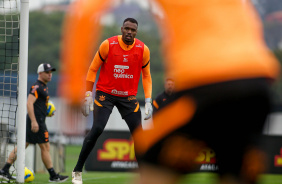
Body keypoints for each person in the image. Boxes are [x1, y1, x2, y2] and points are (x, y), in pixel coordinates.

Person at [132, 1, 280, 184]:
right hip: (257, 82)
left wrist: (85, 93)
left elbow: (90, 8)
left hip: (206, 80)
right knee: (235, 171)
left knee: (149, 159)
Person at [71, 17, 153, 184]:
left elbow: (146, 76)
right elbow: (93, 69)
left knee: (140, 136)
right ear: (122, 28)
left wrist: (149, 100)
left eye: (133, 30)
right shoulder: (108, 44)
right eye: (127, 29)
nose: (129, 32)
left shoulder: (143, 49)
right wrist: (87, 95)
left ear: (136, 32)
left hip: (128, 97)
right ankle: (77, 170)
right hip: (105, 95)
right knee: (97, 128)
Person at [0, 63, 69, 183]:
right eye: (47, 72)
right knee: (45, 147)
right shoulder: (37, 86)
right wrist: (34, 121)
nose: (49, 74)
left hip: (38, 120)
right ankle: (53, 175)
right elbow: (29, 103)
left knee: (23, 145)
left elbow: (37, 105)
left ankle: (4, 170)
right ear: (40, 73)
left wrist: (47, 112)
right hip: (37, 121)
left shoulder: (43, 86)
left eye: (50, 72)